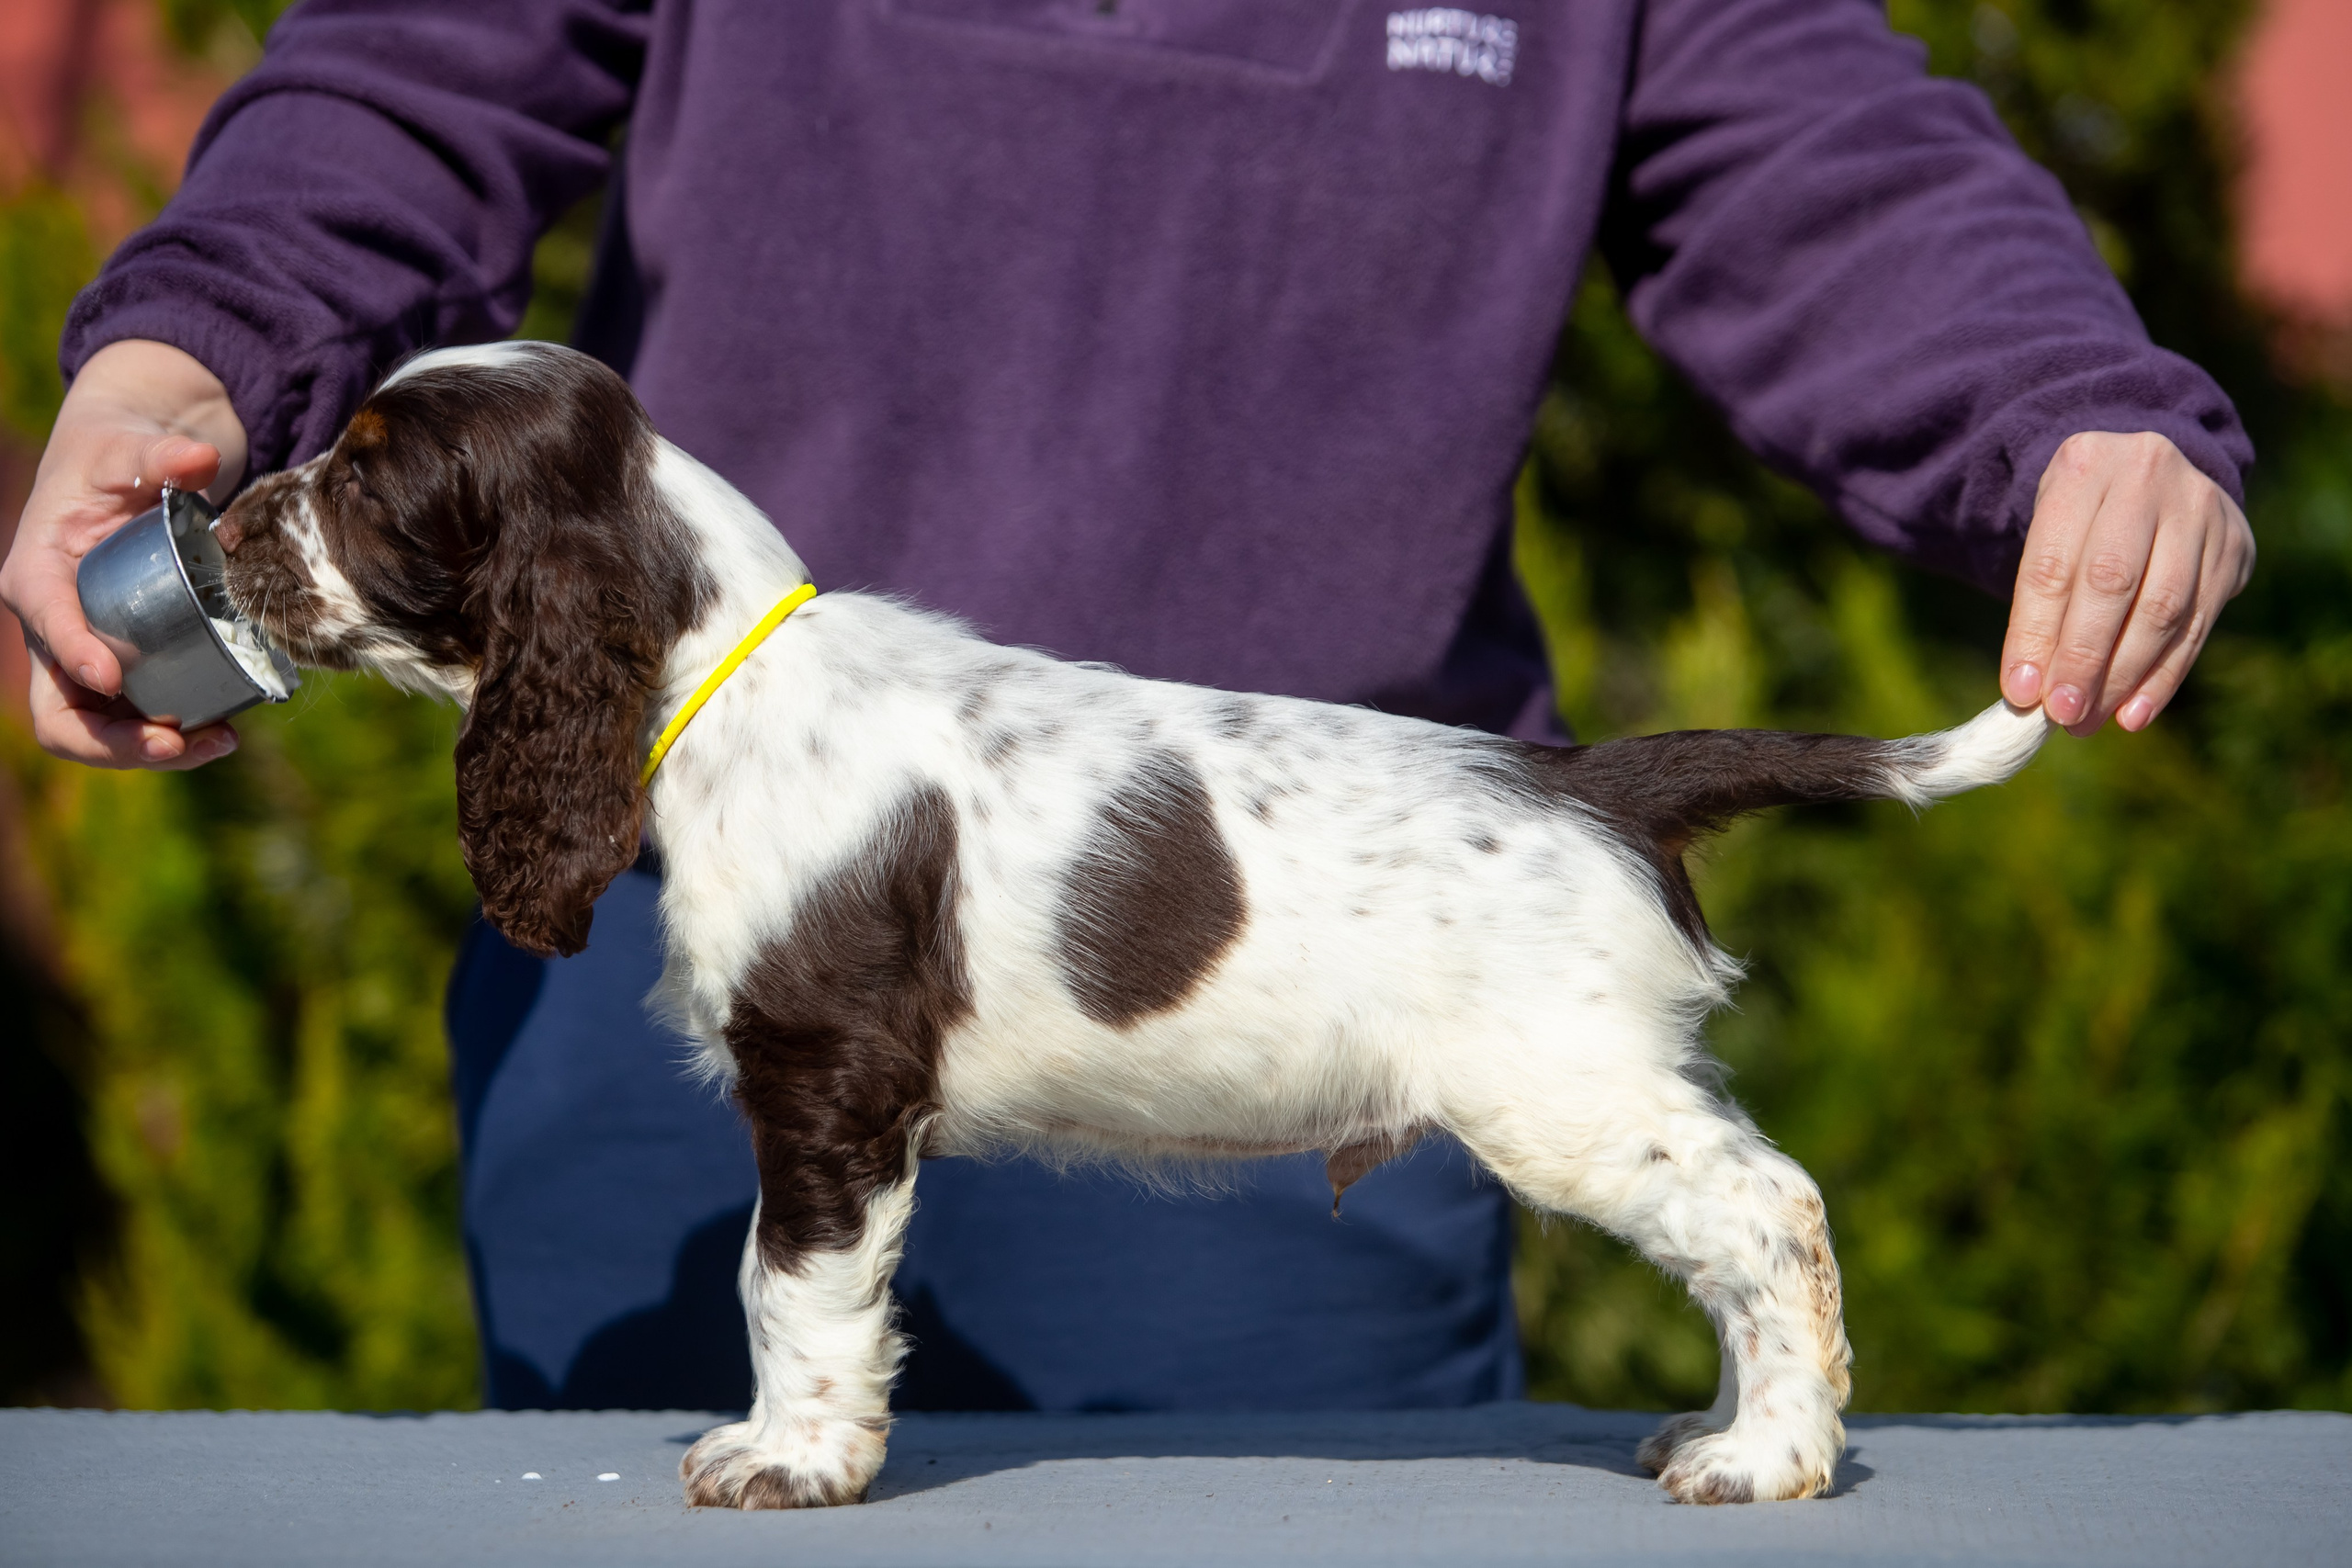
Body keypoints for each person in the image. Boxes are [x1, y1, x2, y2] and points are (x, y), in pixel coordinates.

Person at [3, 0, 2254, 1413]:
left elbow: (1823, 158)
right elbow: (417, 69)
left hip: (1302, 967)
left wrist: (2067, 413)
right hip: (676, 918)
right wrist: (194, 346)